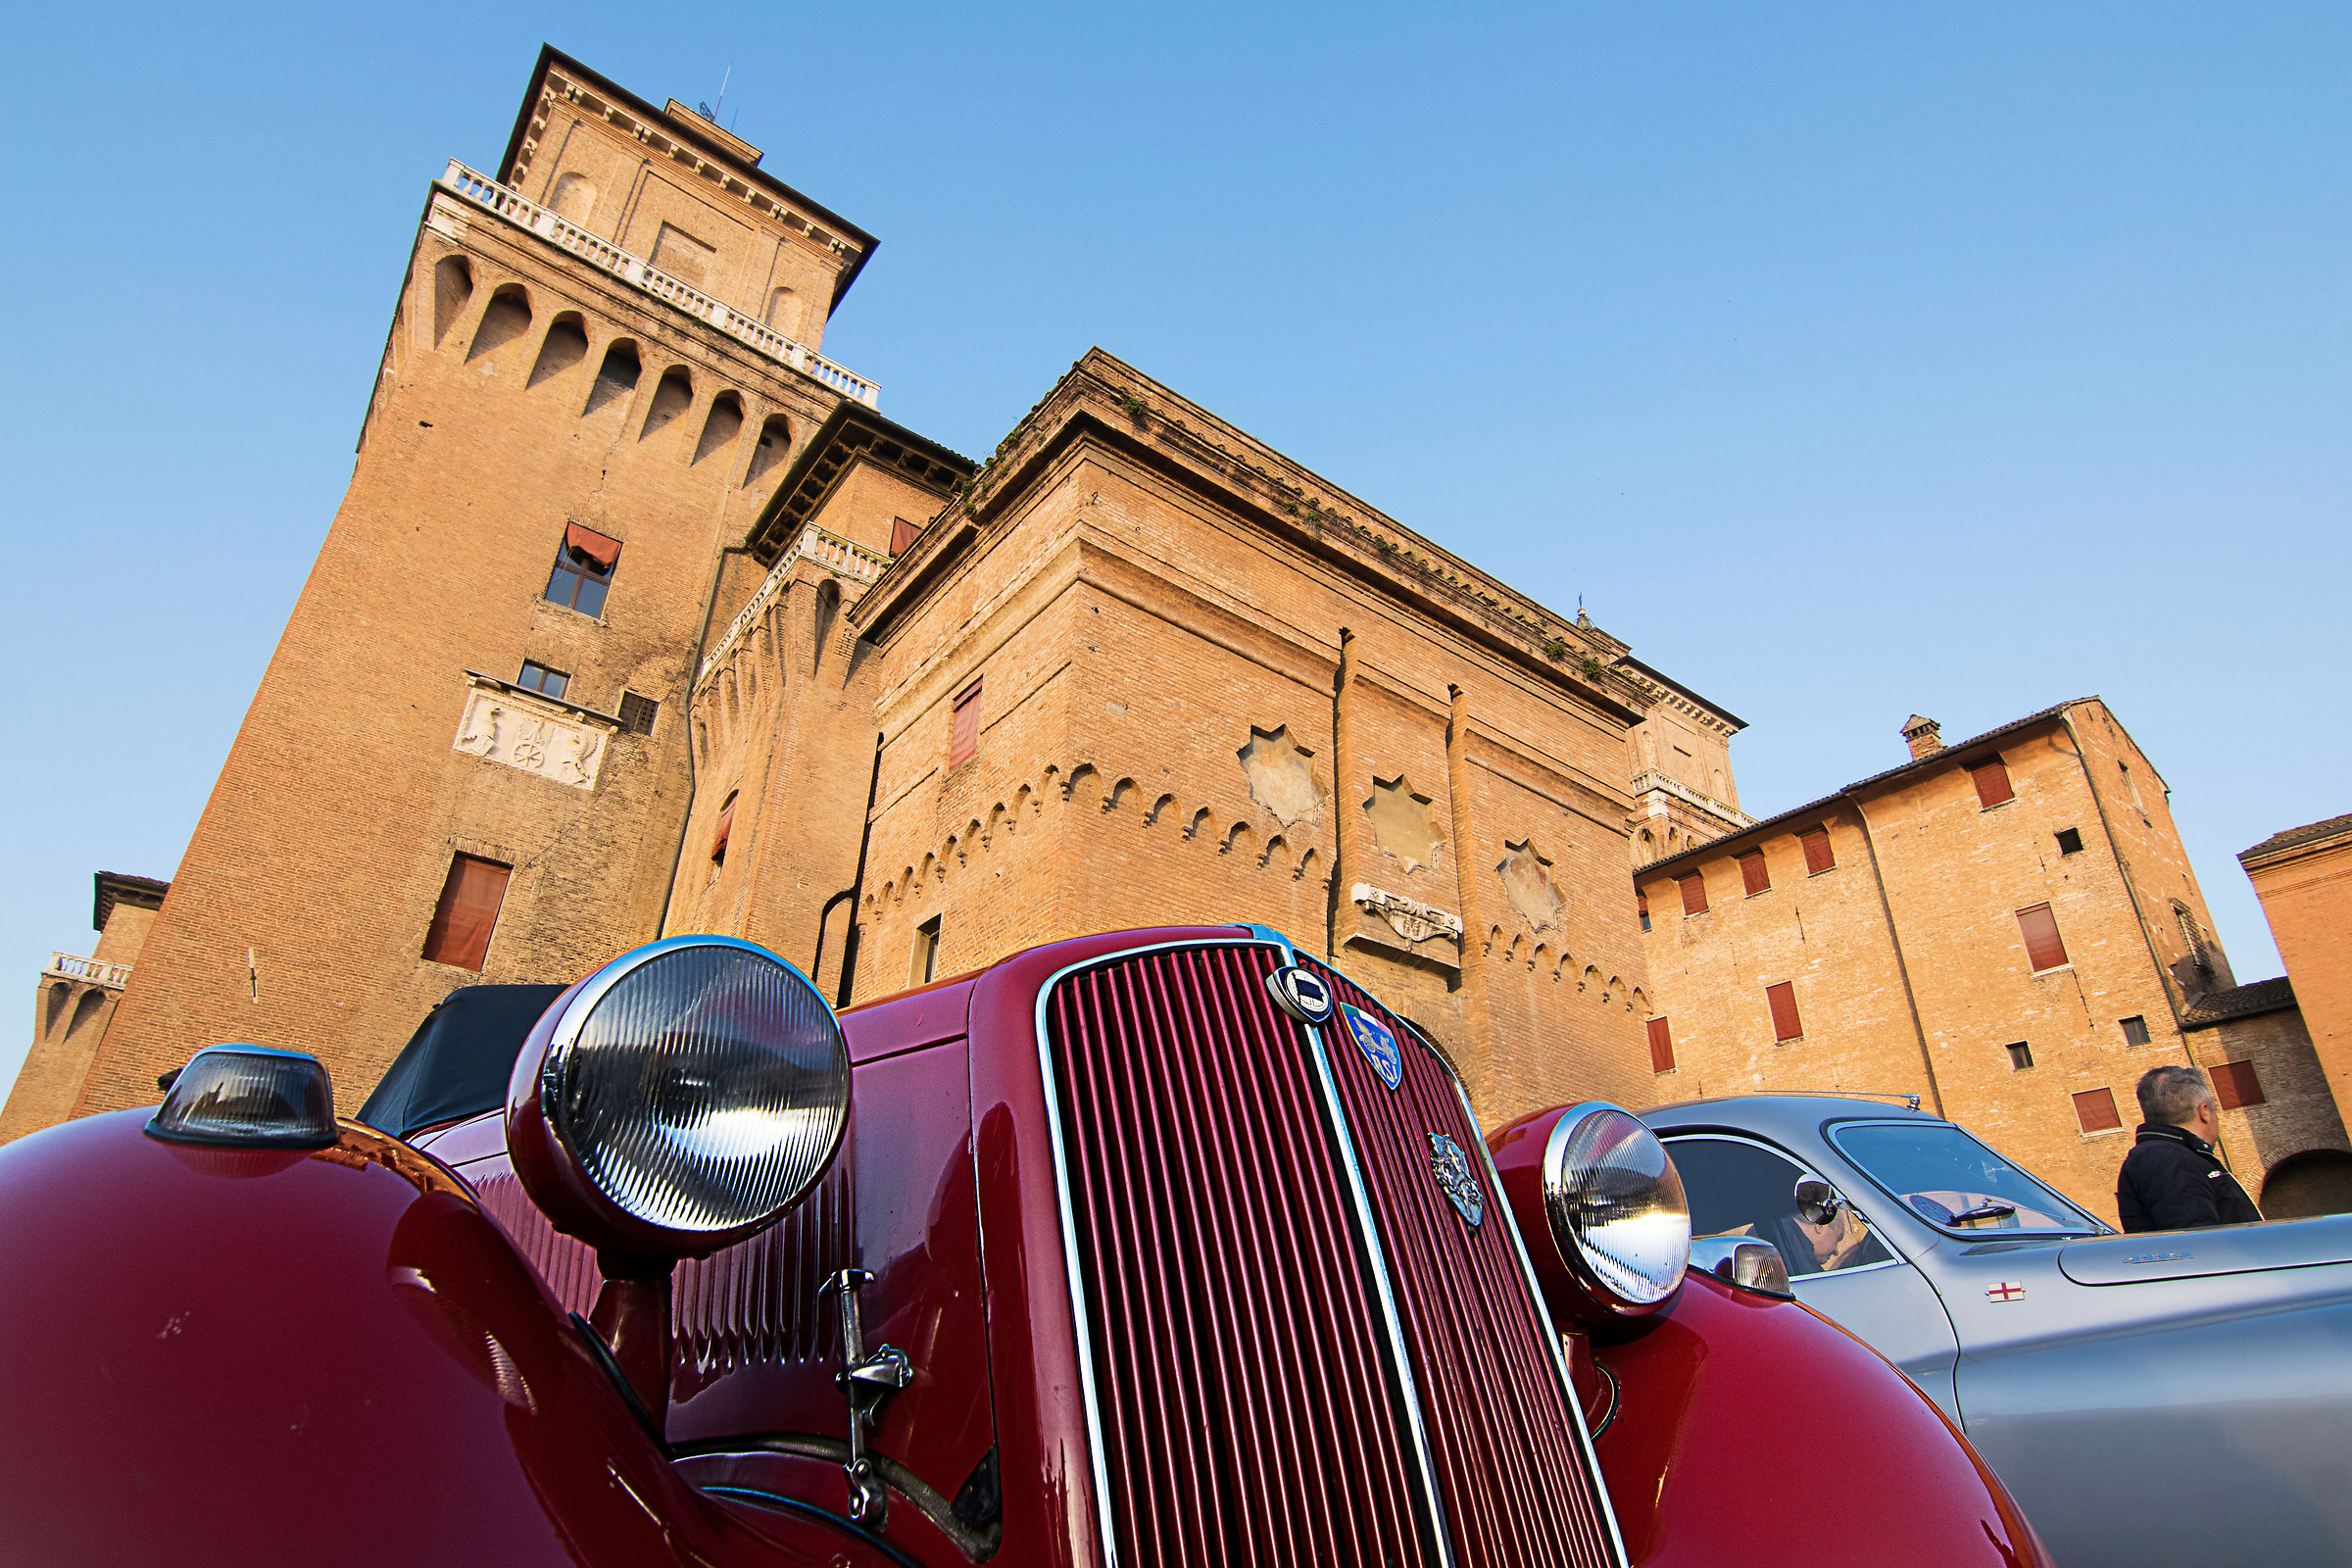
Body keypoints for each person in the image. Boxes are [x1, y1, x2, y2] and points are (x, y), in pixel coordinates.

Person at [2116, 1065, 2262, 1233]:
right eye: (2215, 1110)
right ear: (2204, 1112)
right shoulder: (2169, 1159)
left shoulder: (2169, 1155)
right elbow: (2197, 1240)